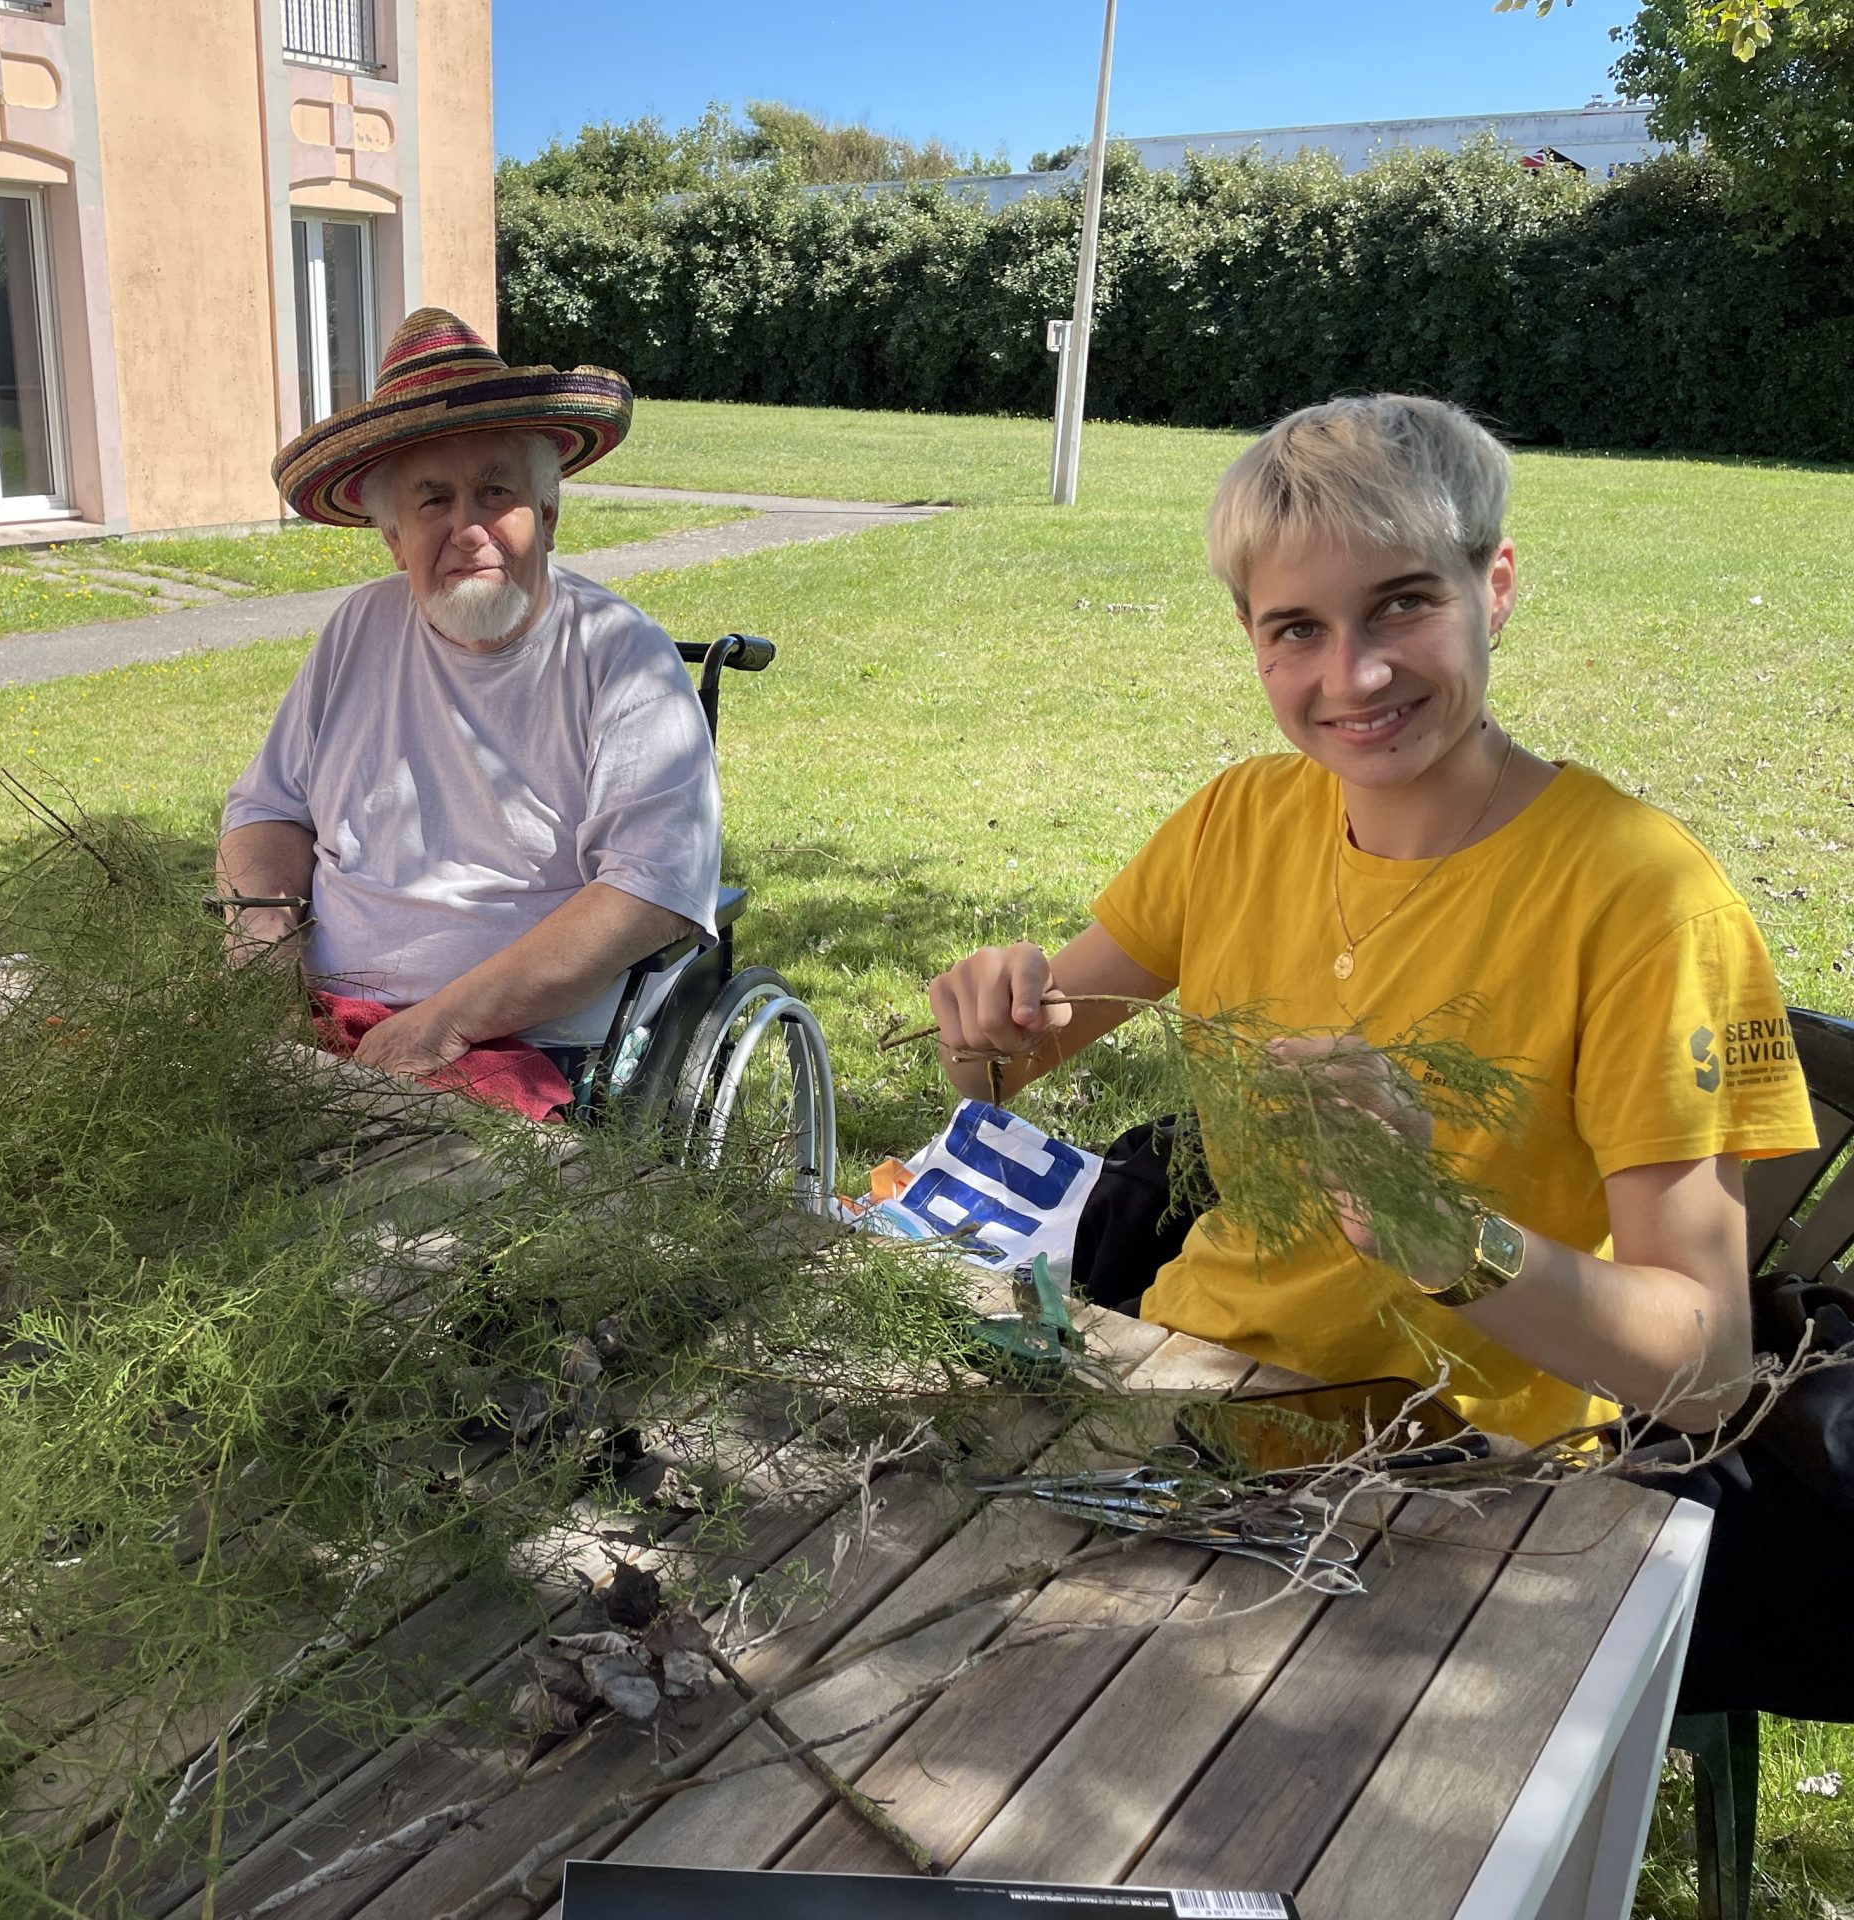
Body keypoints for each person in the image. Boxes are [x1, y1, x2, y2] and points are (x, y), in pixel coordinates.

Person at [923, 394, 1832, 1712]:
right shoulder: (1237, 822)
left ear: (1494, 588)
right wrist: (983, 1021)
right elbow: (1005, 1067)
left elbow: (1701, 1373)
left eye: (1402, 605)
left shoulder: (1644, 900)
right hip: (1192, 1396)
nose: (1353, 679)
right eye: (1298, 628)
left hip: (1458, 1481)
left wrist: (1439, 1235)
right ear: (1252, 638)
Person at [217, 309, 719, 1098]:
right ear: (393, 539)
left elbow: (651, 890)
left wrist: (440, 1025)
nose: (468, 529)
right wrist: (262, 941)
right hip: (321, 1019)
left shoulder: (622, 657)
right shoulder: (359, 628)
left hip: (517, 1043)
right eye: (432, 501)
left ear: (546, 516)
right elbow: (269, 809)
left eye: (495, 492)